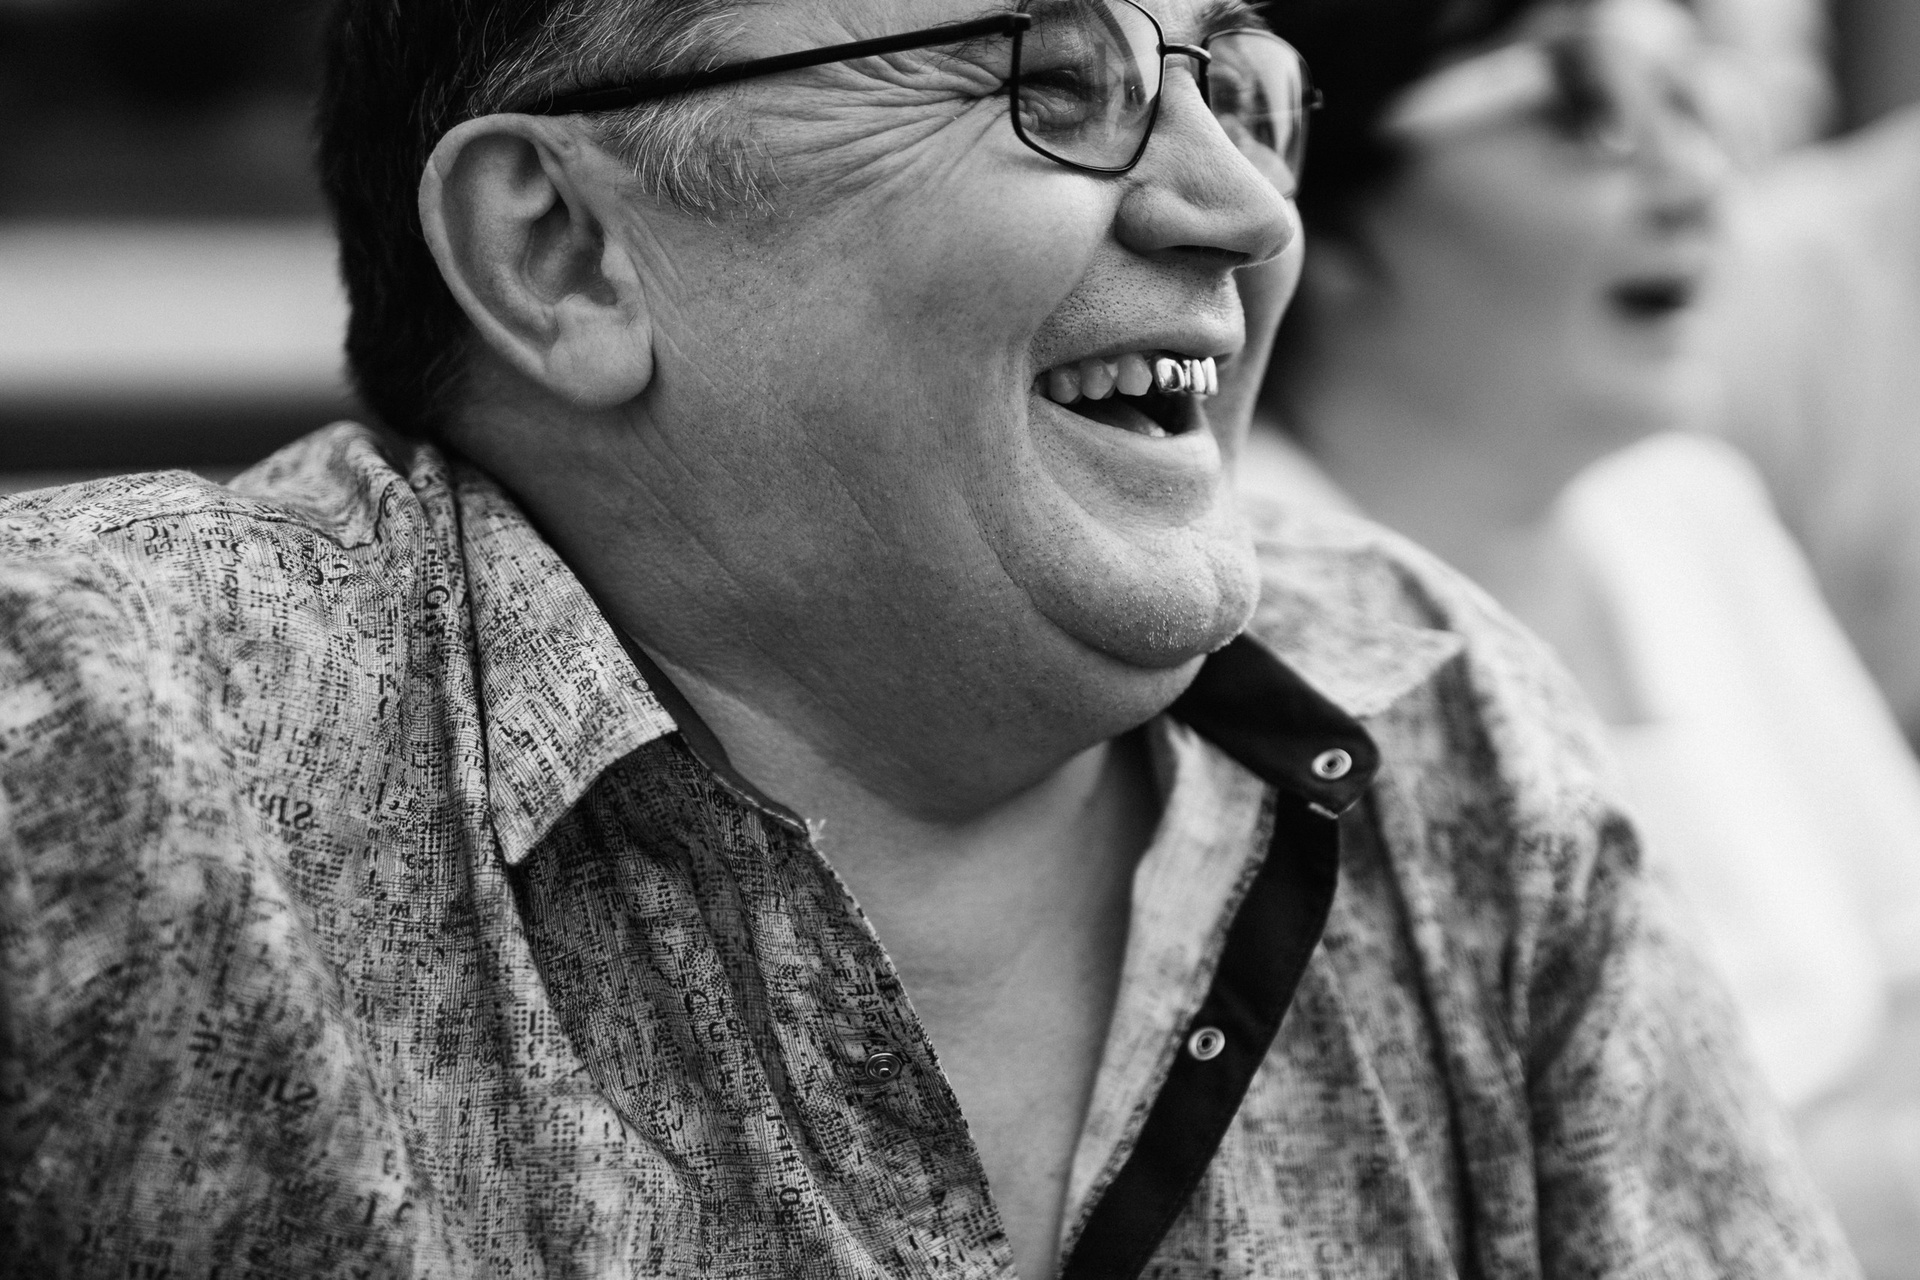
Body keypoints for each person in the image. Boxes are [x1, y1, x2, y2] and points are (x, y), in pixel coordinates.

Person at [0, 0, 1855, 1275]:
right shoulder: (108, 736)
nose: (1241, 206)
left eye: (1237, 83)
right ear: (561, 251)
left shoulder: (1442, 720)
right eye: (1054, 76)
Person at [1253, 0, 1920, 1261]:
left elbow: (1906, 955)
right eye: (1584, 110)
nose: (1695, 179)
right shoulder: (1243, 631)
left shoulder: (1681, 507)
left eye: (1692, 98)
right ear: (1319, 202)